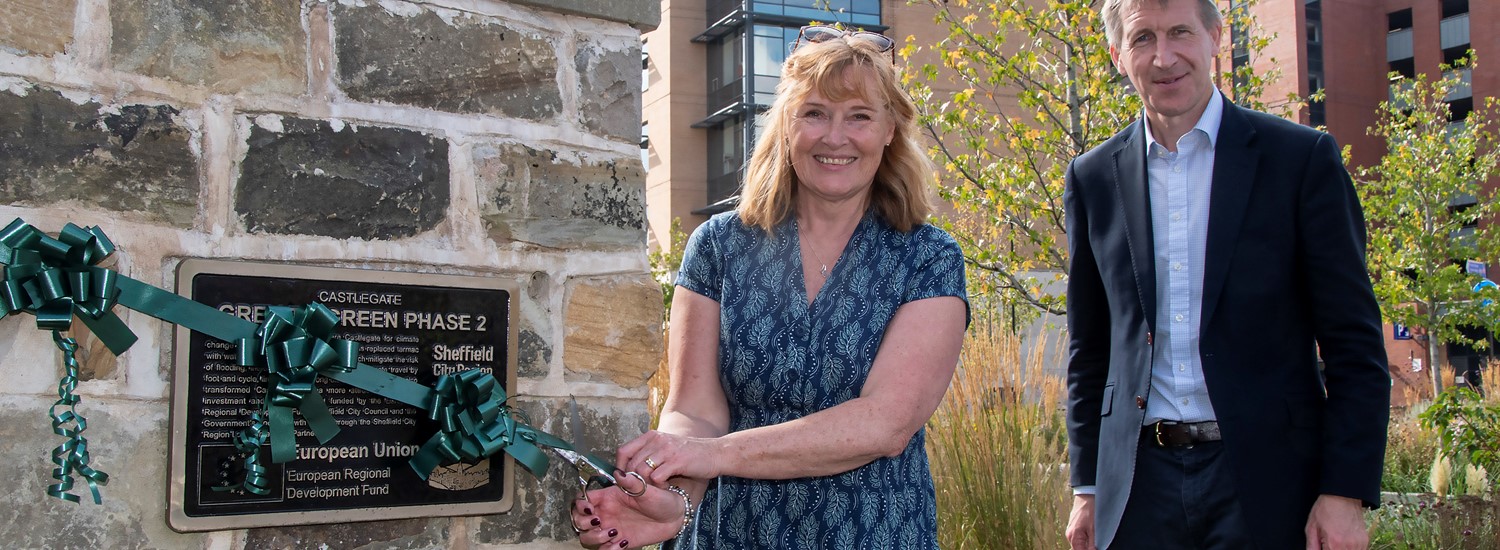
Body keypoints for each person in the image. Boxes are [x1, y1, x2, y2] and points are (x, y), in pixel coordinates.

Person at [569, 25, 969, 549]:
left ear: (891, 129)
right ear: (786, 124)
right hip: (732, 532)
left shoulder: (928, 258)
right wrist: (676, 498)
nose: (835, 136)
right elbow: (695, 411)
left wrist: (712, 456)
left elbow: (885, 423)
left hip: (872, 532)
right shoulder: (717, 246)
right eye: (815, 113)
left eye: (860, 117)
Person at [1062, 0, 1390, 549]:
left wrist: (1344, 493)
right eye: (1143, 39)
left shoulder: (1300, 160)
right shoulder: (1094, 177)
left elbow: (1353, 342)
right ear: (1118, 55)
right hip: (1139, 488)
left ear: (1216, 36)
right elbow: (1091, 348)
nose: (1164, 57)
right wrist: (1088, 485)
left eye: (1180, 33)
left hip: (1268, 483)